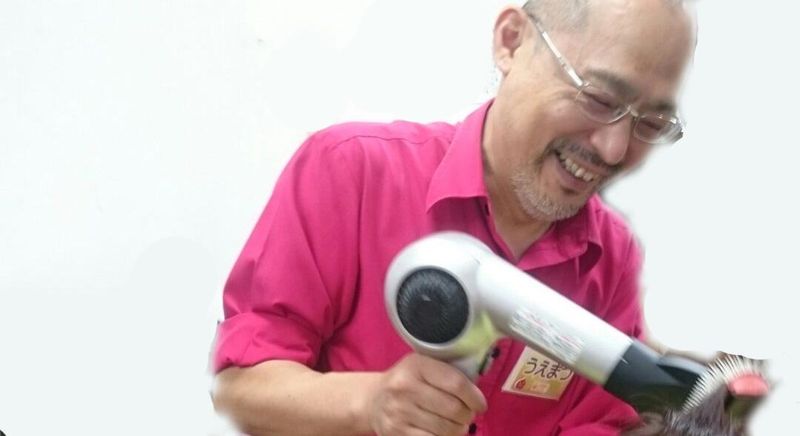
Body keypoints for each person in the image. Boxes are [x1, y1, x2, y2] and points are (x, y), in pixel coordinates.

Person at [211, 0, 697, 434]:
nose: (613, 149)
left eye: (651, 124)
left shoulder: (612, 259)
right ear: (512, 41)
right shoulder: (350, 172)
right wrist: (369, 404)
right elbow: (237, 389)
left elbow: (602, 422)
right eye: (599, 99)